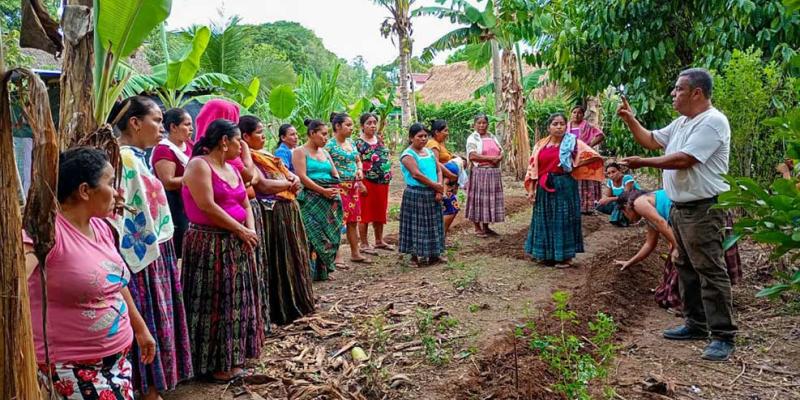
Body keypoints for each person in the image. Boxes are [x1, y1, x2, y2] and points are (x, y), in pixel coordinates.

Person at [617, 67, 737, 361]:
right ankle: (695, 324)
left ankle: (723, 335)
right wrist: (631, 120)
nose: (673, 94)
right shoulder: (683, 122)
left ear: (697, 93)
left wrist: (643, 163)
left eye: (678, 89)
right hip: (681, 208)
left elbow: (684, 159)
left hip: (703, 209)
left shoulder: (712, 122)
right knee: (685, 265)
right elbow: (651, 139)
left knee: (709, 268)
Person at [24, 147, 155, 400]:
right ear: (85, 191)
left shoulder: (100, 226)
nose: (117, 192)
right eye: (110, 182)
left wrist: (140, 328)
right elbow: (13, 286)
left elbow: (115, 282)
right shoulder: (44, 234)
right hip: (70, 369)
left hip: (117, 361)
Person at [110, 97, 193, 399]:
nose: (160, 127)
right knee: (147, 316)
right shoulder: (126, 159)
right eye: (156, 121)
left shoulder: (135, 157)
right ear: (135, 122)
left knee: (153, 318)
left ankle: (152, 386)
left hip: (153, 249)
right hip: (143, 255)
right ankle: (148, 388)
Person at [181, 119, 263, 382]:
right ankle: (214, 363)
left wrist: (249, 230)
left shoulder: (232, 168)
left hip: (237, 242)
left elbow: (245, 202)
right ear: (224, 141)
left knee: (235, 302)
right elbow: (206, 206)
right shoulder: (198, 166)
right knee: (213, 302)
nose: (242, 146)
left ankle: (233, 357)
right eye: (239, 140)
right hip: (209, 244)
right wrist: (240, 231)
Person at [614, 189, 742, 312]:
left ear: (626, 206)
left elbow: (662, 223)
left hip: (700, 218)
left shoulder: (639, 203)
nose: (627, 218)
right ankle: (702, 302)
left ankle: (701, 305)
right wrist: (629, 262)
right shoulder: (647, 211)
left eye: (624, 213)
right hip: (702, 217)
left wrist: (677, 247)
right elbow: (649, 244)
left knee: (693, 264)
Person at [240, 116, 315, 325]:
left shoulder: (265, 154)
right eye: (258, 132)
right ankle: (282, 307)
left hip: (288, 208)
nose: (263, 136)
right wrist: (286, 184)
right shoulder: (248, 158)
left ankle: (298, 301)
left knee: (293, 255)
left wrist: (294, 179)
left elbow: (287, 174)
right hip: (273, 212)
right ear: (245, 136)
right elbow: (262, 185)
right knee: (280, 259)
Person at [524, 113, 604, 268]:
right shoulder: (541, 145)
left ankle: (564, 257)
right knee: (544, 218)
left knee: (564, 219)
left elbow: (592, 156)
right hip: (544, 185)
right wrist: (532, 190)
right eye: (555, 124)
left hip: (565, 185)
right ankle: (545, 254)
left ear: (566, 126)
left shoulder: (573, 143)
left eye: (562, 124)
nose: (559, 127)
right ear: (549, 127)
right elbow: (533, 167)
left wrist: (576, 167)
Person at [293, 119, 344, 281]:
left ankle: (325, 270)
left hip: (330, 197)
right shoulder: (299, 152)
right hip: (310, 198)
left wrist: (334, 185)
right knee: (312, 234)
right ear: (312, 133)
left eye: (327, 135)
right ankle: (310, 272)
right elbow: (302, 176)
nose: (325, 138)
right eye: (322, 134)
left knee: (329, 233)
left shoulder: (325, 153)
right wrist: (322, 190)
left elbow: (335, 173)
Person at [399, 123, 446, 265]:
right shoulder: (407, 155)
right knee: (416, 224)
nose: (423, 139)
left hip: (432, 192)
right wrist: (436, 186)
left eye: (425, 136)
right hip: (416, 194)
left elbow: (438, 170)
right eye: (420, 136)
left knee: (433, 224)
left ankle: (434, 254)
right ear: (411, 138)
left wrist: (439, 188)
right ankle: (414, 256)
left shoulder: (430, 152)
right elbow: (416, 174)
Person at [326, 112, 370, 264]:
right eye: (348, 125)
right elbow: (327, 166)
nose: (351, 128)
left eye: (352, 125)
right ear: (338, 126)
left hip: (353, 187)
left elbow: (358, 160)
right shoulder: (329, 145)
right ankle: (337, 257)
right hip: (339, 187)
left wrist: (359, 170)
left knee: (353, 220)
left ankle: (355, 253)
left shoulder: (351, 143)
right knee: (338, 221)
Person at [151, 108, 193, 257]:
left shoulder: (189, 146)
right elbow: (168, 182)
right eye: (187, 124)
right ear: (173, 127)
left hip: (188, 203)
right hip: (175, 206)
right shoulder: (164, 150)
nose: (191, 128)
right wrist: (197, 179)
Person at [355, 113, 395, 252]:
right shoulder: (358, 143)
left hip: (383, 182)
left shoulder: (379, 140)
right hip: (367, 182)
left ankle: (379, 240)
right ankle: (364, 243)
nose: (373, 125)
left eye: (374, 122)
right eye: (369, 123)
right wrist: (360, 184)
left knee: (380, 211)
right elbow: (355, 164)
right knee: (365, 212)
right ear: (362, 126)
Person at [465, 114, 504, 237]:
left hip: (493, 172)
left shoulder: (492, 136)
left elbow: (501, 150)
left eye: (484, 123)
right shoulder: (473, 138)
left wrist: (499, 157)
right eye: (479, 123)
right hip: (480, 173)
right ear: (474, 125)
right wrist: (491, 158)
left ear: (488, 124)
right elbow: (472, 156)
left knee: (489, 200)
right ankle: (477, 227)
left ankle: (486, 227)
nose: (482, 125)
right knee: (478, 199)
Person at [426, 119, 461, 238]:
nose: (447, 133)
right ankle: (439, 237)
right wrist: (450, 175)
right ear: (437, 132)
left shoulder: (440, 144)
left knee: (452, 209)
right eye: (445, 131)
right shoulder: (433, 144)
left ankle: (441, 238)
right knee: (450, 209)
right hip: (439, 184)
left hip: (446, 183)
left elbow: (445, 158)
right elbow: (436, 163)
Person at [568, 104, 605, 213]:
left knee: (585, 180)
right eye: (574, 112)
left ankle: (587, 207)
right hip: (571, 157)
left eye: (579, 113)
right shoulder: (566, 126)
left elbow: (600, 135)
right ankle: (573, 206)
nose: (576, 115)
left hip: (585, 156)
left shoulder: (587, 126)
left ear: (583, 115)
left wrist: (589, 145)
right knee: (573, 179)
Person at [596, 162, 639, 227]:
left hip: (635, 201)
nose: (611, 175)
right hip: (622, 202)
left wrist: (610, 199)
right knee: (600, 205)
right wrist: (603, 200)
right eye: (609, 173)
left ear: (620, 171)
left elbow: (626, 196)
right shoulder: (610, 182)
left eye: (613, 172)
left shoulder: (627, 178)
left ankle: (622, 219)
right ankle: (621, 217)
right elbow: (608, 196)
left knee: (619, 202)